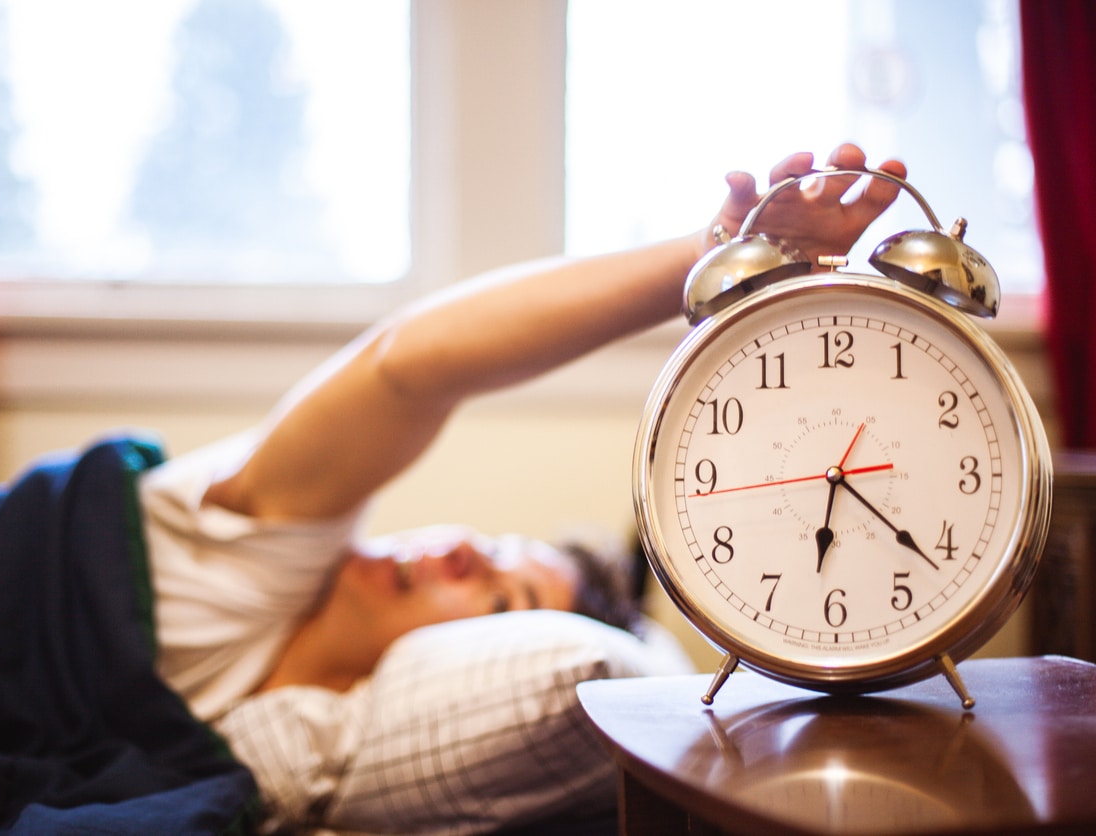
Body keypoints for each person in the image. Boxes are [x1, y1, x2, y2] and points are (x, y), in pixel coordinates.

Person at [136, 142, 908, 724]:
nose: (466, 552)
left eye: (500, 602)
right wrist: (711, 255)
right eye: (500, 549)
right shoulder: (260, 554)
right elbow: (408, 367)